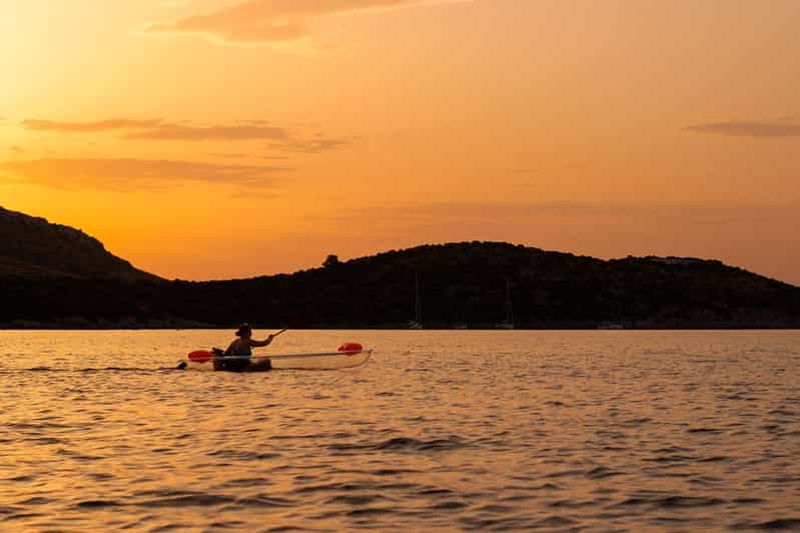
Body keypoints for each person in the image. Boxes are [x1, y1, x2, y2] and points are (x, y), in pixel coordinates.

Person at [215, 324, 285, 372]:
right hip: (244, 366)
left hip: (235, 365)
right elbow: (264, 343)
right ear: (246, 333)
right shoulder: (247, 341)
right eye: (250, 332)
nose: (251, 334)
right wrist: (270, 338)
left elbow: (226, 354)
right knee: (267, 361)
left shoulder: (235, 341)